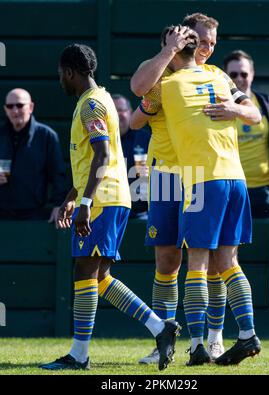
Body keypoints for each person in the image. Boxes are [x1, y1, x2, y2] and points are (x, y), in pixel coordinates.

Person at [39, 44, 180, 372]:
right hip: (109, 196)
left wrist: (86, 202)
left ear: (71, 72)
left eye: (62, 74)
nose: (60, 79)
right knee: (99, 276)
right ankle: (160, 327)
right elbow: (91, 159)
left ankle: (79, 355)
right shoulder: (98, 99)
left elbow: (102, 156)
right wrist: (70, 198)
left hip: (103, 199)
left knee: (84, 271)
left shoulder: (90, 105)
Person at [130, 13, 261, 364]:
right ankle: (165, 338)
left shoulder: (215, 75)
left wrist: (233, 108)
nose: (207, 48)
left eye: (213, 44)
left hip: (203, 174)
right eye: (202, 41)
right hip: (168, 175)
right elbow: (135, 118)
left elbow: (253, 115)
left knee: (207, 258)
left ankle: (211, 339)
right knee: (168, 259)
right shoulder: (161, 73)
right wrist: (165, 61)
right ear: (185, 38)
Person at [223, 50, 269, 217]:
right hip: (228, 189)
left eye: (244, 74)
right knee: (228, 242)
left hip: (264, 191)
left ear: (252, 75)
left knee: (264, 241)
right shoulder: (218, 107)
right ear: (225, 77)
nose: (239, 79)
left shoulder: (268, 104)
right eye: (233, 74)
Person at [0, 88, 66, 222]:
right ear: (5, 109)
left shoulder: (47, 136)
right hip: (2, 214)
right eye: (10, 106)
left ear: (30, 107)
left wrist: (59, 204)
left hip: (34, 214)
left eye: (19, 105)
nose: (15, 110)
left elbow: (58, 174)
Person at [112, 94, 151, 219]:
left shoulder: (146, 139)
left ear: (130, 112)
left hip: (141, 214)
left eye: (121, 110)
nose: (117, 114)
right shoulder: (100, 142)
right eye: (113, 110)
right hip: (110, 212)